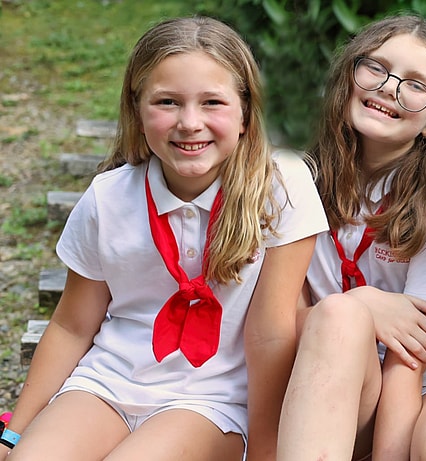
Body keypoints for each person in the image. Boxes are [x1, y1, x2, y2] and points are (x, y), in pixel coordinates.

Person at [0, 16, 327, 461]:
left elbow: (270, 332)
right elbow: (71, 325)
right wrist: (13, 436)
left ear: (246, 113)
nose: (190, 122)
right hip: (107, 383)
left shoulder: (281, 188)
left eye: (212, 102)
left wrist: (266, 450)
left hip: (210, 400)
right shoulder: (110, 196)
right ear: (137, 111)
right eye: (167, 102)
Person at [277, 14, 426, 461]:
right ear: (348, 76)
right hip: (332, 369)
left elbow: (412, 358)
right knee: (340, 320)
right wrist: (361, 307)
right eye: (376, 68)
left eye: (417, 84)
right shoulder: (295, 181)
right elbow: (281, 321)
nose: (388, 87)